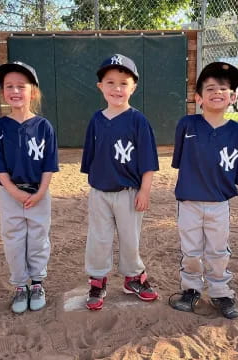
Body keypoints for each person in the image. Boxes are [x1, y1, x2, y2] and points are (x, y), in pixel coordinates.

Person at [81, 54, 159, 310]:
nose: (117, 88)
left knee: (129, 238)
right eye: (110, 82)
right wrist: (94, 189)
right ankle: (98, 280)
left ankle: (133, 277)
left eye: (124, 83)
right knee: (98, 238)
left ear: (133, 87)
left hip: (129, 192)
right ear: (100, 87)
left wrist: (144, 191)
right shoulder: (96, 119)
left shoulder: (138, 120)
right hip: (100, 192)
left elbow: (148, 161)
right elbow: (91, 159)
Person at [169, 62, 238, 319]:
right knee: (190, 249)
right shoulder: (187, 125)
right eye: (210, 88)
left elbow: (234, 174)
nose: (217, 92)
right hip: (189, 200)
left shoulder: (237, 132)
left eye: (224, 88)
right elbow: (180, 160)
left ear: (233, 97)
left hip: (219, 202)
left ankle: (220, 291)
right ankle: (190, 289)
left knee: (218, 250)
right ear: (198, 97)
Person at [0, 61, 58, 314]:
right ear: (3, 91)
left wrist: (40, 192)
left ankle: (37, 283)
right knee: (14, 238)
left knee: (38, 237)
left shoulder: (44, 127)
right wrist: (13, 190)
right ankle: (19, 285)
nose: (15, 91)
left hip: (39, 191)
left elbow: (50, 164)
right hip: (10, 193)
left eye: (21, 86)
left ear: (33, 91)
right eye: (9, 86)